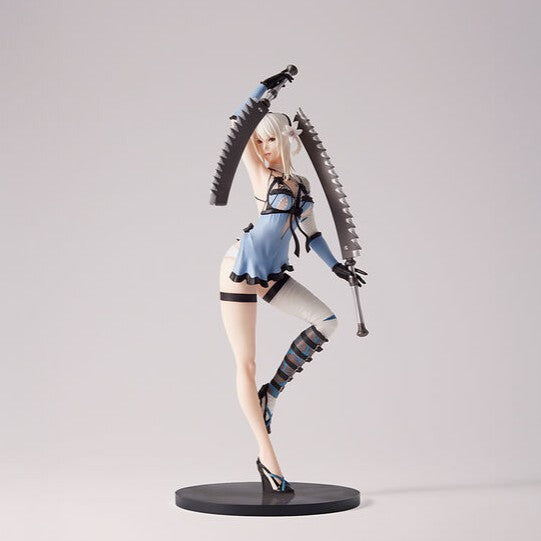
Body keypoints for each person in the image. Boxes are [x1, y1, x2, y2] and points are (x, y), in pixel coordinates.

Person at [218, 111, 367, 493]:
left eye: (271, 139)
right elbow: (240, 127)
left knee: (327, 321)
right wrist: (263, 90)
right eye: (259, 141)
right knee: (246, 363)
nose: (264, 148)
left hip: (271, 272)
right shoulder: (261, 176)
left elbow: (312, 234)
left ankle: (272, 393)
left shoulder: (300, 184)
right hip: (240, 268)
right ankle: (267, 457)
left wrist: (337, 268)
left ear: (286, 139)